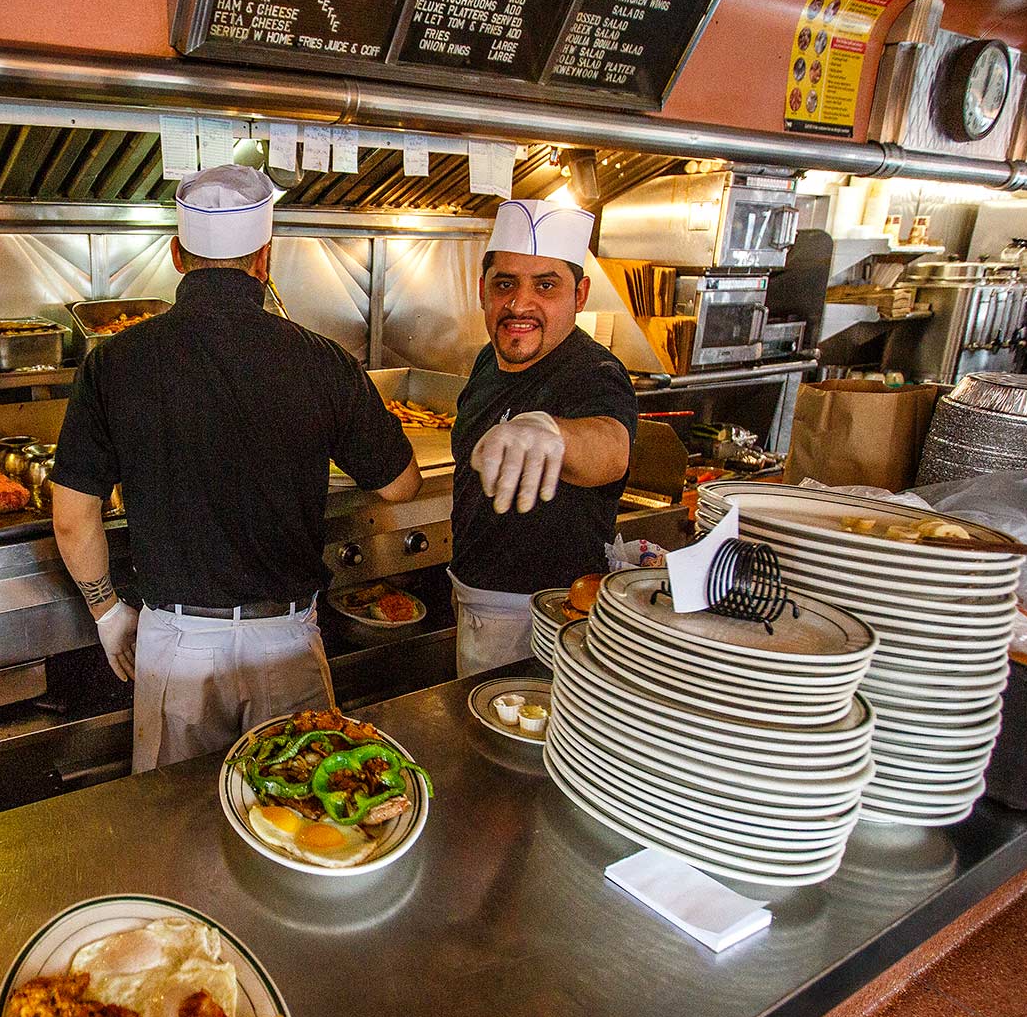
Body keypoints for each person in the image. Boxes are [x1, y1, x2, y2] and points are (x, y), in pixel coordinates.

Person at [51, 164, 422, 771]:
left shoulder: (113, 362)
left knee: (178, 828)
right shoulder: (323, 360)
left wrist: (106, 612)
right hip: (287, 647)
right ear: (265, 259)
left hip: (175, 649)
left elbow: (72, 519)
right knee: (295, 816)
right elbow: (401, 484)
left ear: (177, 255)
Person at [450, 199, 637, 677]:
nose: (519, 304)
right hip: (474, 595)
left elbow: (611, 449)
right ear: (482, 290)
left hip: (544, 619)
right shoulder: (488, 361)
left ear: (581, 294)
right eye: (505, 284)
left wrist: (554, 433)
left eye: (546, 285)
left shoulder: (593, 373)